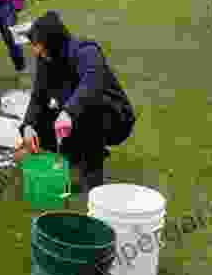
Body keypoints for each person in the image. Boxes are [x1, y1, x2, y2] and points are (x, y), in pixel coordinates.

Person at [15, 11, 136, 193]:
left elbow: (92, 83)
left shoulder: (86, 51)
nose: (35, 51)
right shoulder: (45, 59)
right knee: (39, 123)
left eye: (38, 45)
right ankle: (77, 156)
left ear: (54, 42)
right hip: (76, 114)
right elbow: (38, 96)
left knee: (90, 112)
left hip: (115, 117)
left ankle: (93, 174)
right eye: (33, 46)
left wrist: (68, 112)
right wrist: (28, 126)